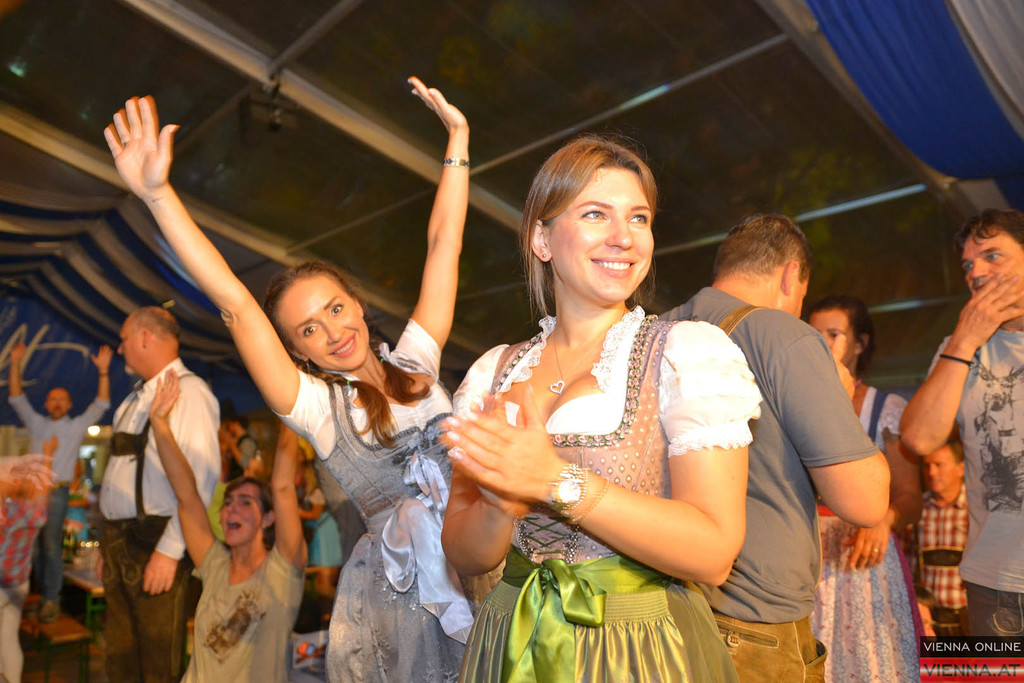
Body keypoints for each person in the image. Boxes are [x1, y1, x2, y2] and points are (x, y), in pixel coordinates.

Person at [104, 77, 472, 682]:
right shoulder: (319, 409)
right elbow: (235, 305)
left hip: (480, 557)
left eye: (335, 309)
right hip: (409, 602)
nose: (332, 332)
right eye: (308, 330)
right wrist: (157, 194)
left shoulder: (417, 363)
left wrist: (457, 140)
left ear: (357, 304)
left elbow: (443, 244)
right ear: (299, 354)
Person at [441, 135, 763, 681]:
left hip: (637, 649)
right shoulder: (493, 374)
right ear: (542, 238)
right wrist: (499, 506)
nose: (623, 237)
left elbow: (713, 553)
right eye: (596, 214)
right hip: (512, 641)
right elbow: (465, 555)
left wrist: (553, 481)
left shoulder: (685, 354)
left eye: (639, 218)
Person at [662, 214, 890, 682]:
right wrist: (841, 399)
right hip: (751, 623)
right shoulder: (782, 334)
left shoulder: (654, 330)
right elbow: (865, 503)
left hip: (662, 609)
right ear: (791, 275)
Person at [901, 208, 1024, 637]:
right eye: (968, 265)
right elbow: (918, 439)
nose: (977, 272)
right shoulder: (958, 348)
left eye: (992, 256)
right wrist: (966, 339)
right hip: (995, 584)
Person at [148, 369, 305, 681]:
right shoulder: (215, 565)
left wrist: (293, 400)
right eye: (228, 502)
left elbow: (283, 487)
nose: (232, 509)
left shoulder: (282, 571)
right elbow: (187, 496)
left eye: (246, 503)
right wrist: (159, 424)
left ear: (268, 518)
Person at [98, 306, 220, 681]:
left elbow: (202, 480)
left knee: (156, 660)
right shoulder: (134, 399)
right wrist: (107, 548)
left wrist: (169, 551)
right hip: (119, 542)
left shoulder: (190, 393)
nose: (120, 349)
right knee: (120, 656)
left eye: (123, 340)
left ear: (145, 337)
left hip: (154, 541)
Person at [806, 294, 921, 681]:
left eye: (833, 333)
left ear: (860, 343)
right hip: (805, 557)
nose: (822, 342)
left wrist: (884, 517)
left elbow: (911, 498)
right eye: (813, 333)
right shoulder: (793, 402)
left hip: (862, 560)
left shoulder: (885, 408)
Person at [7, 340, 111, 622]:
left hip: (56, 492)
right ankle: (40, 596)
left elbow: (102, 403)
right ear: (46, 403)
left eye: (61, 399)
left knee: (51, 545)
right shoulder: (37, 423)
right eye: (52, 399)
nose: (56, 403)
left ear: (69, 404)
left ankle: (52, 599)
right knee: (32, 545)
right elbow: (16, 397)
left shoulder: (76, 425)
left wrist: (103, 371)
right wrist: (15, 363)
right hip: (30, 493)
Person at [0, 437, 56, 683]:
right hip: (19, 584)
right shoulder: (35, 511)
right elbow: (44, 489)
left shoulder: (8, 513)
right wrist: (47, 455)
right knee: (9, 640)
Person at [917, 440, 969, 635]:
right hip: (928, 621)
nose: (931, 472)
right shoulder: (916, 509)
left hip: (967, 621)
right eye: (927, 466)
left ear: (960, 469)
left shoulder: (978, 510)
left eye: (939, 465)